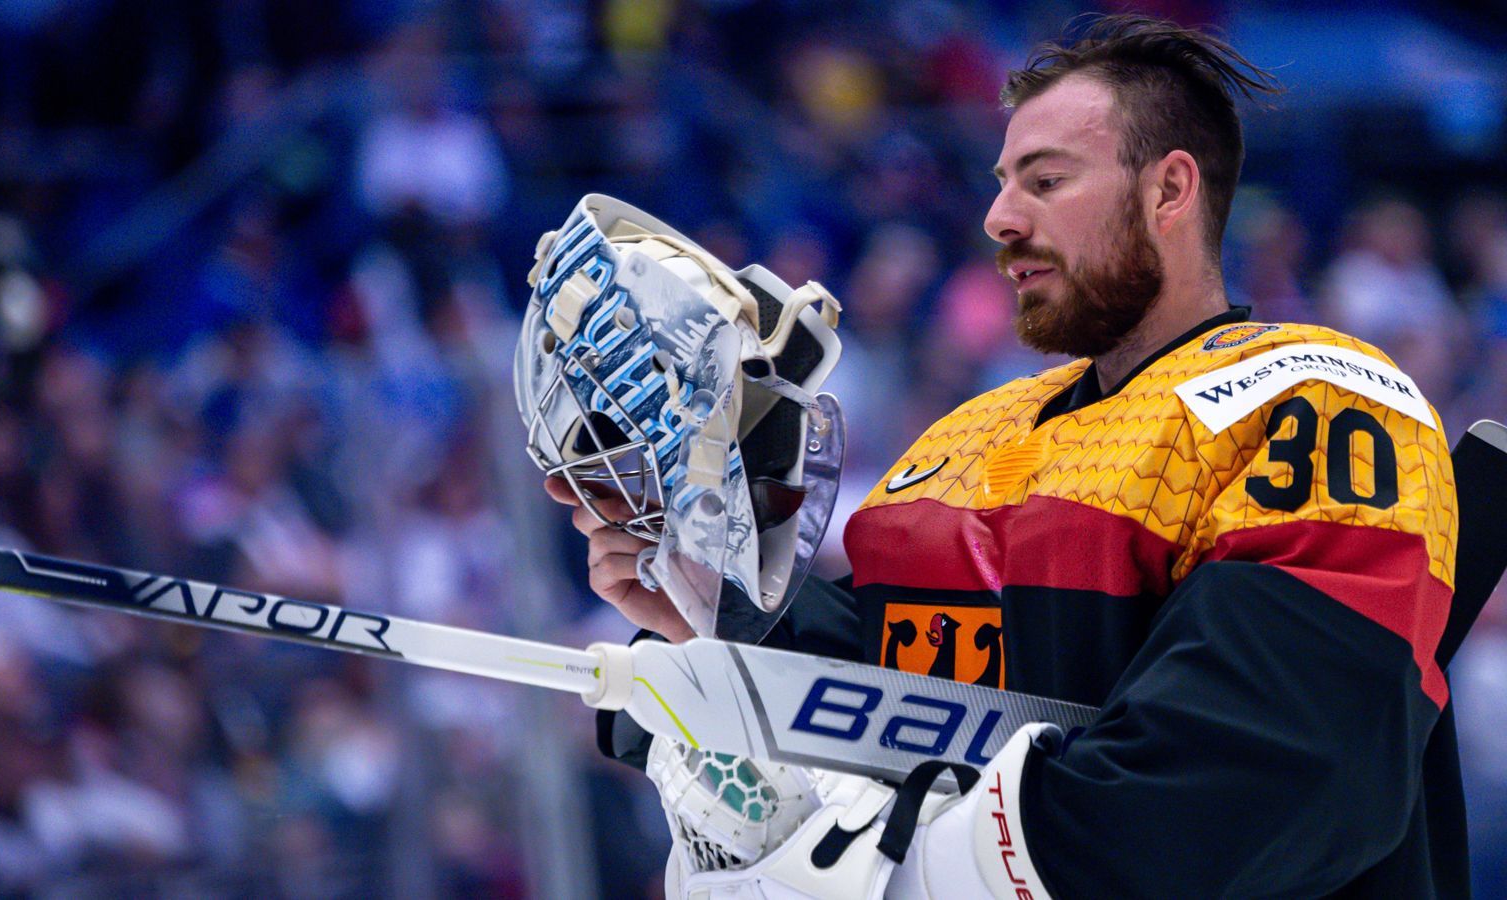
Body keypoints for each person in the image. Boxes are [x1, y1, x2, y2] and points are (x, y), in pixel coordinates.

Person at [548, 15, 1465, 898]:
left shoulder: (1320, 399)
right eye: (999, 182)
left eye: (1046, 180)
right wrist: (715, 613)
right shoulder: (970, 435)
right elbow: (907, 690)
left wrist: (908, 872)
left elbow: (1255, 777)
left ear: (1170, 191)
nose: (997, 217)